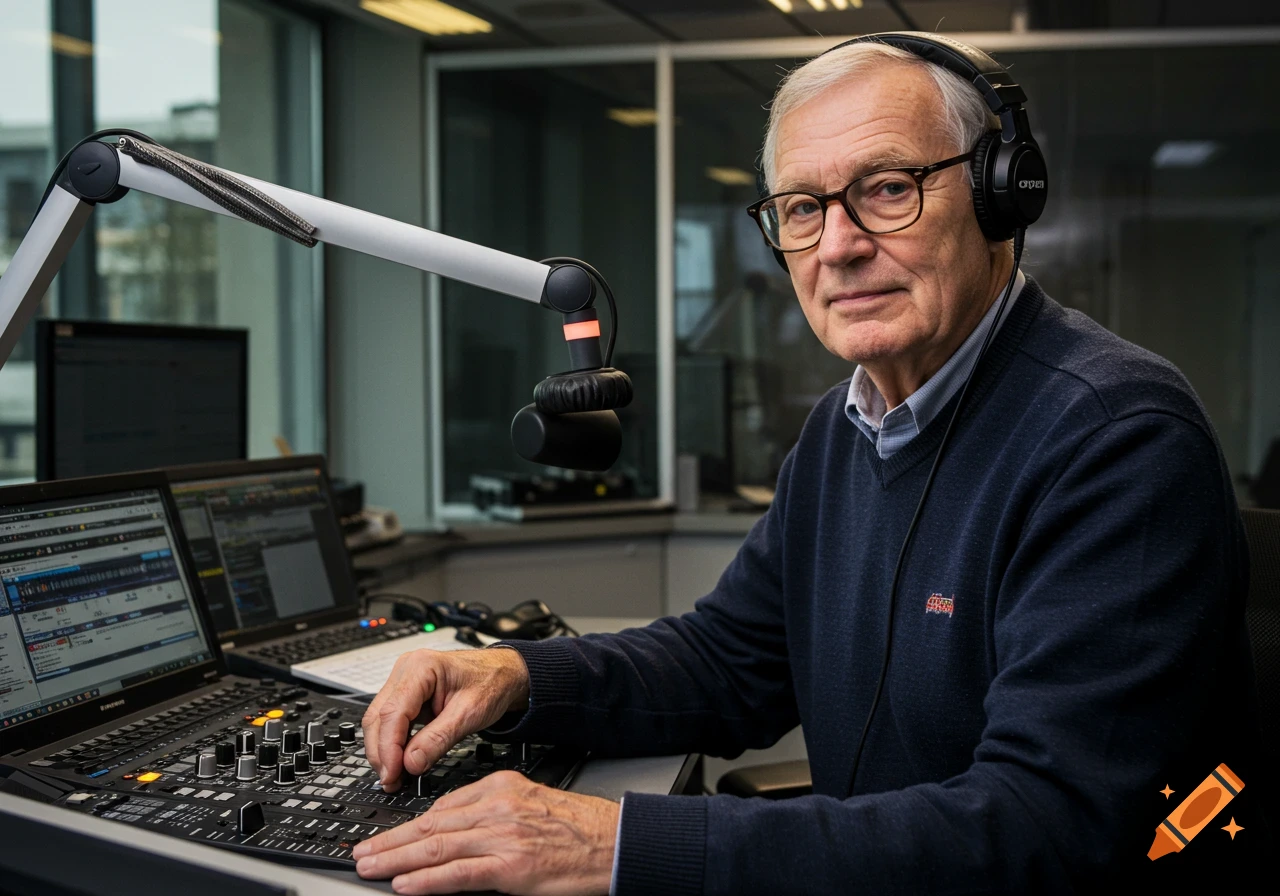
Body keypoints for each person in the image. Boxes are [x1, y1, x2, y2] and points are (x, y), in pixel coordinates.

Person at [353, 35, 1268, 895]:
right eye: (802, 208)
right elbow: (730, 662)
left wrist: (618, 845)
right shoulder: (845, 427)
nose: (837, 245)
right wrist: (519, 678)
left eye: (886, 189)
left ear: (998, 196)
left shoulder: (1116, 436)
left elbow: (1049, 826)